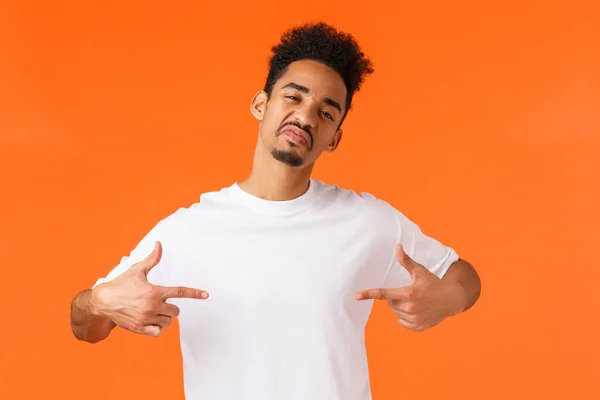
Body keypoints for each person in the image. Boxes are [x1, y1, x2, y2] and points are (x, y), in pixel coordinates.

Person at [70, 22, 481, 400]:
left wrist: (450, 295)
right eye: (293, 96)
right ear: (259, 104)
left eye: (325, 111)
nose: (305, 116)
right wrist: (98, 302)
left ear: (335, 138)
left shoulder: (368, 221)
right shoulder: (185, 232)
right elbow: (84, 326)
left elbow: (463, 274)